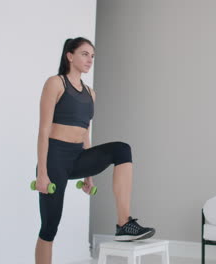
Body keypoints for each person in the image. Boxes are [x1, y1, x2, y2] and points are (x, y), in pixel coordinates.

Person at [35, 37, 155, 264]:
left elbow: (84, 133)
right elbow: (43, 131)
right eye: (84, 54)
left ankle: (124, 223)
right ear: (70, 56)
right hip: (55, 159)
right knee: (49, 227)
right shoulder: (55, 83)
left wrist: (88, 175)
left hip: (78, 157)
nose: (90, 59)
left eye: (92, 55)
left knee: (122, 150)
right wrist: (42, 173)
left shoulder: (91, 93)